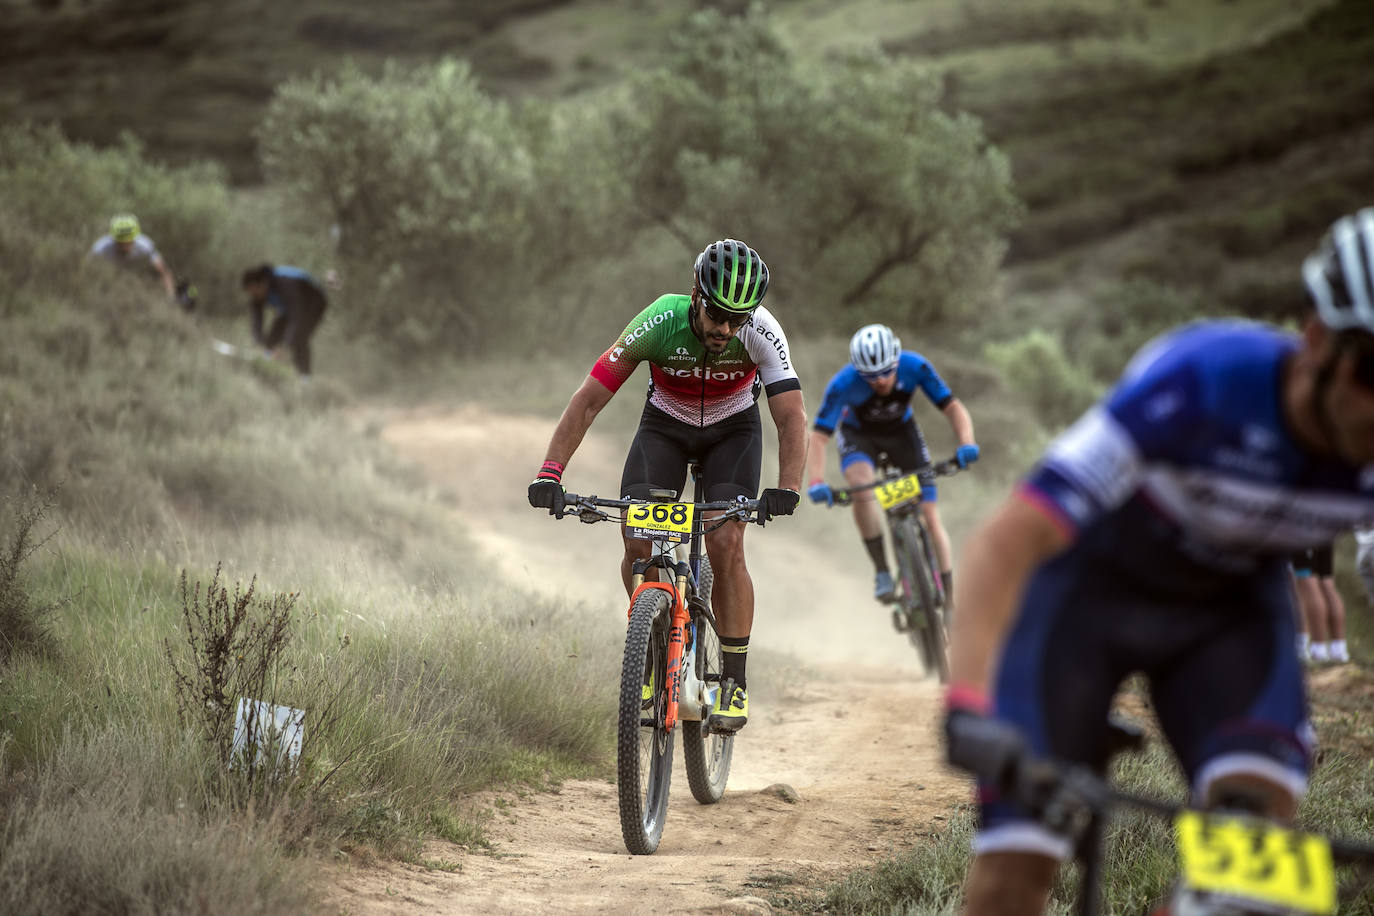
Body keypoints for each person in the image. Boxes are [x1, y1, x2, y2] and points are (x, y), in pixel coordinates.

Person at [943, 207, 1374, 916]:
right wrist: (965, 707)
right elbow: (1009, 537)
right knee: (1016, 871)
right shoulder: (1204, 379)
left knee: (1260, 884)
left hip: (1227, 620)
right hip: (1082, 606)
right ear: (1318, 338)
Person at [527, 239, 806, 733]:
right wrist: (551, 473)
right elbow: (588, 400)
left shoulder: (761, 331)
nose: (725, 329)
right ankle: (653, 648)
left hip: (733, 432)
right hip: (666, 428)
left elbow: (790, 416)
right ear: (696, 295)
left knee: (726, 542)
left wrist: (787, 487)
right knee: (637, 539)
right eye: (717, 314)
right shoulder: (660, 320)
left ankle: (733, 684)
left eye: (737, 319)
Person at [804, 324, 978, 605]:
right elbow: (820, 436)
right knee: (861, 487)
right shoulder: (842, 384)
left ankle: (949, 595)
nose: (880, 381)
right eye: (870, 376)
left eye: (886, 371)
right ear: (858, 370)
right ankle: (883, 570)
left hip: (902, 434)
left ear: (896, 359)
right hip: (860, 438)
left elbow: (952, 407)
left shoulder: (915, 366)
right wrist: (816, 480)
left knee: (931, 517)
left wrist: (966, 443)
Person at [241, 264, 329, 378]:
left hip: (314, 303)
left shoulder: (284, 283)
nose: (254, 296)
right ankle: (266, 361)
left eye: (254, 292)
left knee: (300, 337)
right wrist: (258, 342)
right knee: (274, 333)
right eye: (251, 294)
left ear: (261, 284)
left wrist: (285, 346)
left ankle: (305, 377)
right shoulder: (259, 293)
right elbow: (257, 319)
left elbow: (296, 318)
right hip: (292, 308)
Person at [88, 213, 177, 303]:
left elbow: (164, 272)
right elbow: (87, 271)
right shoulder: (101, 247)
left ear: (135, 238)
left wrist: (170, 297)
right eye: (120, 242)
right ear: (113, 238)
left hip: (138, 278)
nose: (124, 246)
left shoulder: (145, 245)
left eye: (129, 242)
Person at [1291, 543, 1350, 664]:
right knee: (1326, 582)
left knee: (1305, 583)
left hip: (1301, 533)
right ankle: (1338, 650)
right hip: (1322, 531)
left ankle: (1313, 649)